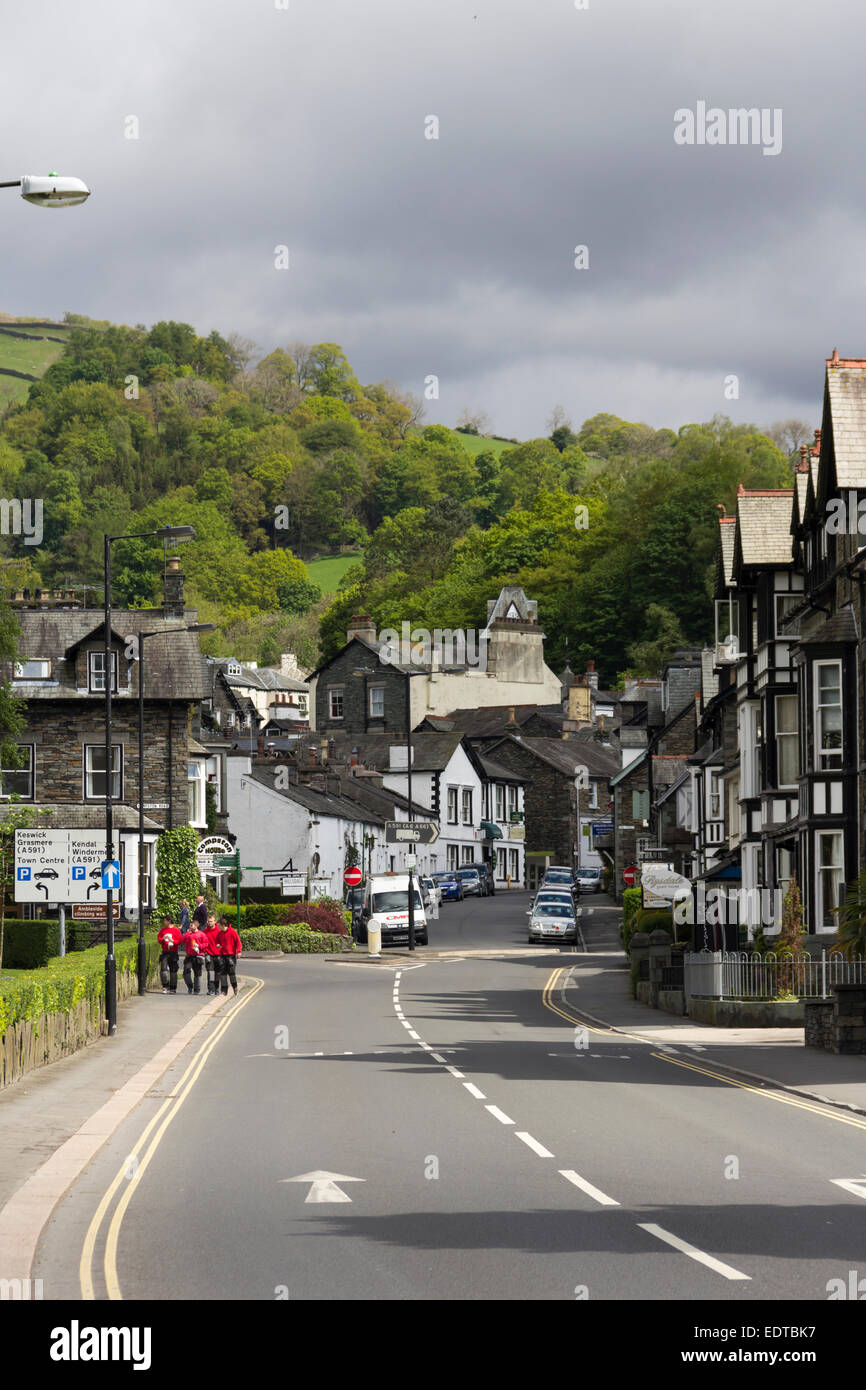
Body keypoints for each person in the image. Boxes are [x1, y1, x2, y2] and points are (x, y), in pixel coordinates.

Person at [217, 916, 242, 996]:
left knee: (231, 973)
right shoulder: (219, 933)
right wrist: (218, 945)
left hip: (231, 955)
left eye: (219, 925)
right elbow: (217, 942)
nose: (218, 927)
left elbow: (238, 942)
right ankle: (224, 991)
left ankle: (235, 988)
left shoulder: (232, 932)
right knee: (223, 974)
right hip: (222, 955)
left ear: (223, 925)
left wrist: (238, 951)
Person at [158, 917, 183, 994]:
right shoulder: (163, 930)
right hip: (165, 952)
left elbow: (180, 941)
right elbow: (159, 939)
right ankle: (165, 986)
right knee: (164, 970)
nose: (164, 922)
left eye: (165, 921)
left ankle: (173, 987)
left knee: (173, 971)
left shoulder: (176, 930)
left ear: (169, 921)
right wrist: (162, 939)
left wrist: (173, 941)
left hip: (173, 952)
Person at [182, 922, 208, 995]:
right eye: (189, 925)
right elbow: (182, 940)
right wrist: (187, 933)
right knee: (186, 972)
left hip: (198, 955)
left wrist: (199, 946)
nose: (190, 926)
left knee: (197, 973)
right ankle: (190, 986)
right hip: (189, 956)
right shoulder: (188, 934)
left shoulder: (201, 934)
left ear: (196, 926)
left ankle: (197, 989)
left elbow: (206, 944)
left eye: (191, 925)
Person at [204, 913, 223, 996]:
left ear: (215, 922)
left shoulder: (219, 932)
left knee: (217, 973)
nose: (209, 923)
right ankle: (210, 989)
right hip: (209, 955)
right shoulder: (204, 932)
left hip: (218, 955)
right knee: (210, 973)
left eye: (211, 921)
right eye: (208, 921)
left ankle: (216, 989)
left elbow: (224, 943)